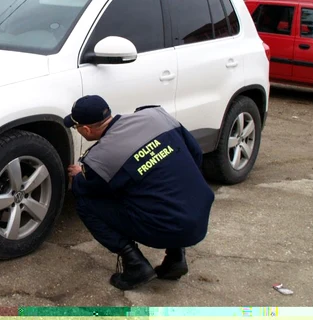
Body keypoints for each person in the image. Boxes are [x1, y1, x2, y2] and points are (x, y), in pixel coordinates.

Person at [64, 95, 215, 290]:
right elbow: (195, 153)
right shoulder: (156, 116)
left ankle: (136, 265)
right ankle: (176, 259)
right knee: (166, 188)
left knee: (86, 205)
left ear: (85, 129)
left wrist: (78, 176)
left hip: (166, 229)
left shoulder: (101, 157)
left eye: (76, 127)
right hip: (199, 214)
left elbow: (87, 190)